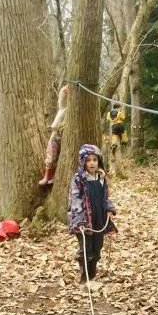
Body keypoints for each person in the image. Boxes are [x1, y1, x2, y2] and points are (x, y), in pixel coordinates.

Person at [67, 143, 117, 282]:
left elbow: (105, 196)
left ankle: (93, 272)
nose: (92, 163)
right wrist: (79, 221)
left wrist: (109, 208)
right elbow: (75, 200)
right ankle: (85, 276)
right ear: (83, 162)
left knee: (97, 245)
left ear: (99, 160)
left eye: (94, 160)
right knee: (86, 247)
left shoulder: (101, 177)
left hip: (99, 217)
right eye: (88, 160)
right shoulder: (79, 179)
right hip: (84, 219)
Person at [38, 85, 68, 188]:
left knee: (60, 156)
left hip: (63, 134)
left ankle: (54, 176)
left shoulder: (69, 109)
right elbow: (62, 96)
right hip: (55, 134)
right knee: (51, 154)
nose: (60, 100)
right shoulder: (62, 108)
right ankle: (47, 176)